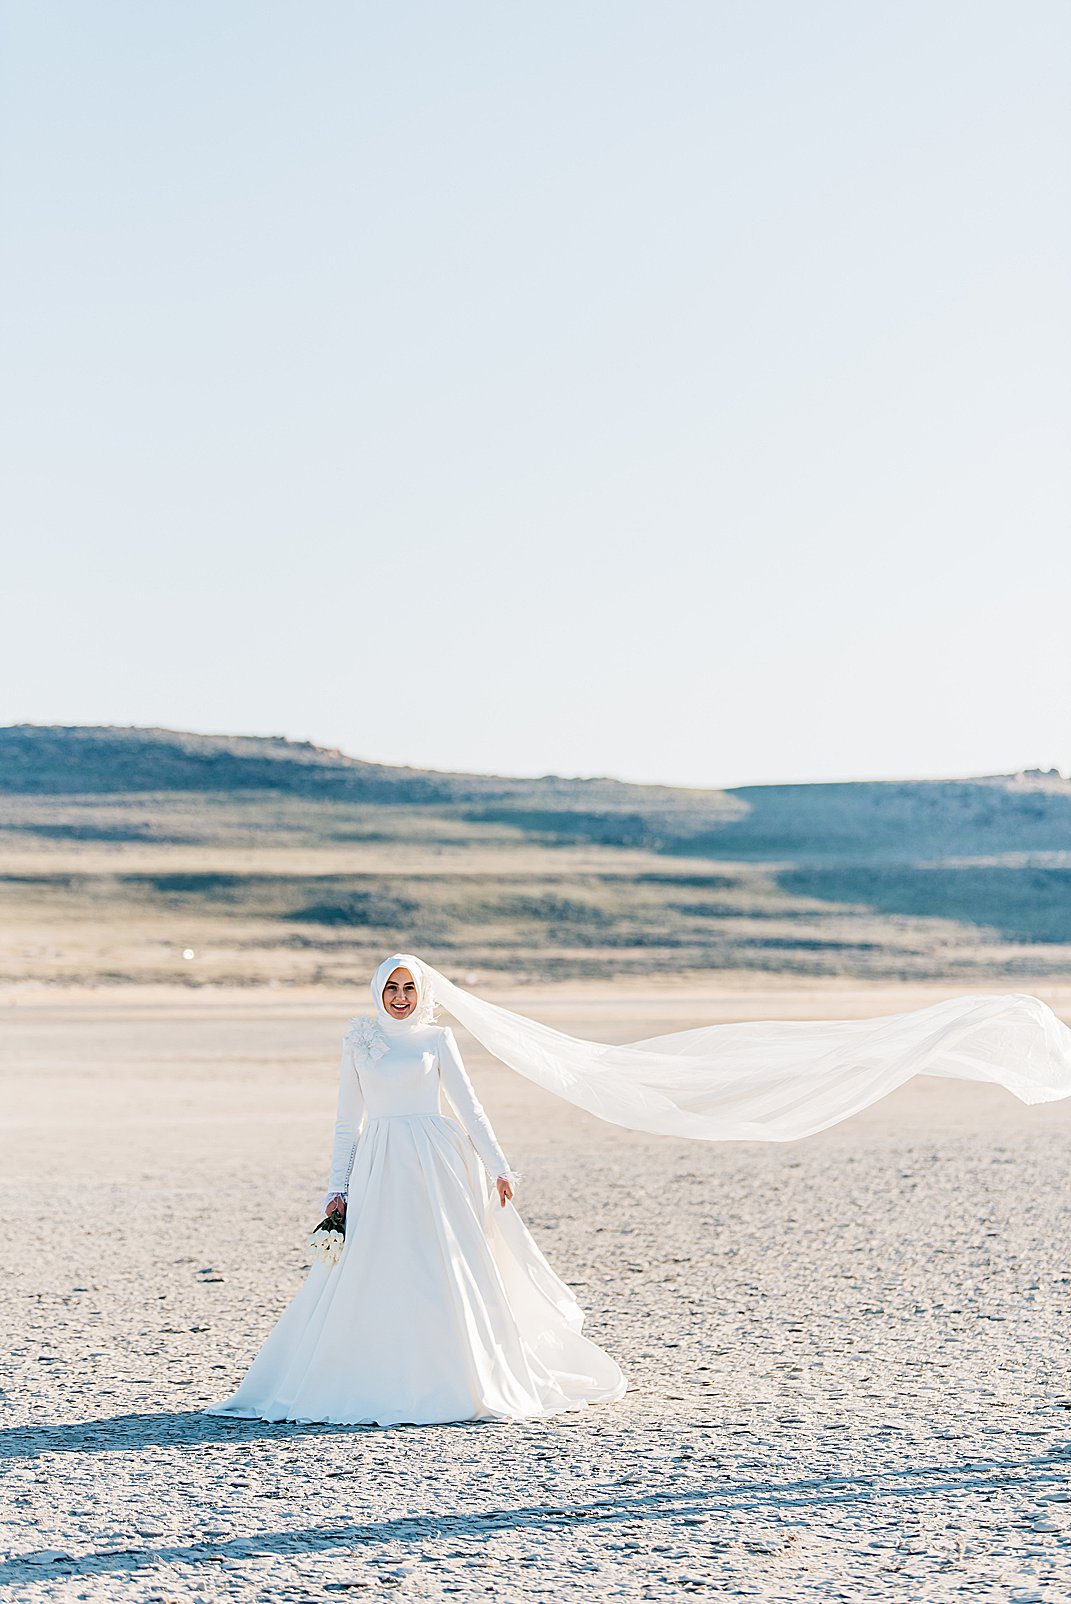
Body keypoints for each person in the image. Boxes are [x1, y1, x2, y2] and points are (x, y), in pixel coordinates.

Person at [207, 953, 628, 1428]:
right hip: (379, 1163)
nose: (401, 997)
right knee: (378, 1262)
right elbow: (348, 1122)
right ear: (377, 991)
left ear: (422, 992)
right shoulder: (359, 1042)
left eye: (409, 988)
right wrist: (336, 1187)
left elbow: (470, 1108)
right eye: (392, 988)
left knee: (442, 1262)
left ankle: (457, 1374)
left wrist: (499, 1167)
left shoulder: (437, 1038)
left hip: (438, 1162)